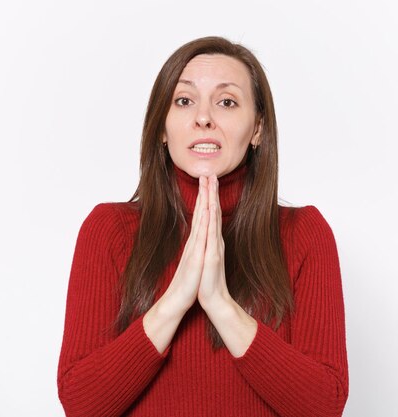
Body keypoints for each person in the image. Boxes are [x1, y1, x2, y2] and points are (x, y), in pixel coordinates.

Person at [57, 36, 348, 417]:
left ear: (258, 129)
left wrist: (220, 304)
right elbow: (81, 403)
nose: (204, 117)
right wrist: (176, 298)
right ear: (161, 127)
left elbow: (323, 407)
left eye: (227, 102)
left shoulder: (304, 233)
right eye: (184, 100)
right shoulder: (109, 230)